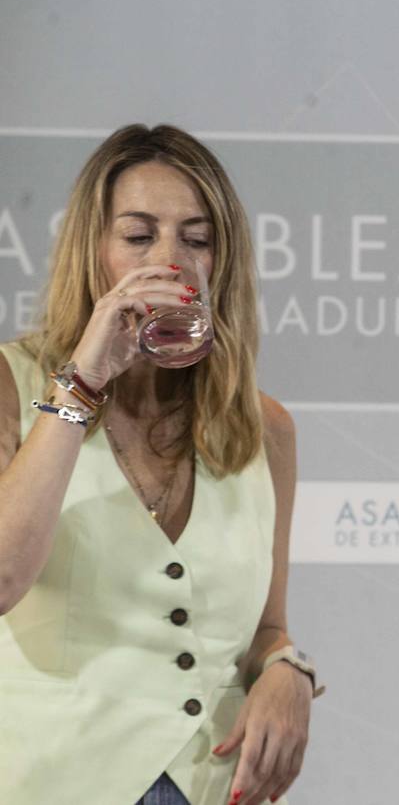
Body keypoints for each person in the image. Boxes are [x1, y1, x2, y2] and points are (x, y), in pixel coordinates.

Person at [0, 125, 321, 805]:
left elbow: (266, 629)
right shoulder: (12, 383)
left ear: (222, 263)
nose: (170, 262)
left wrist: (288, 670)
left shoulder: (265, 428)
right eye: (140, 237)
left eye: (197, 239)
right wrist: (83, 379)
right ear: (95, 252)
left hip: (216, 787)